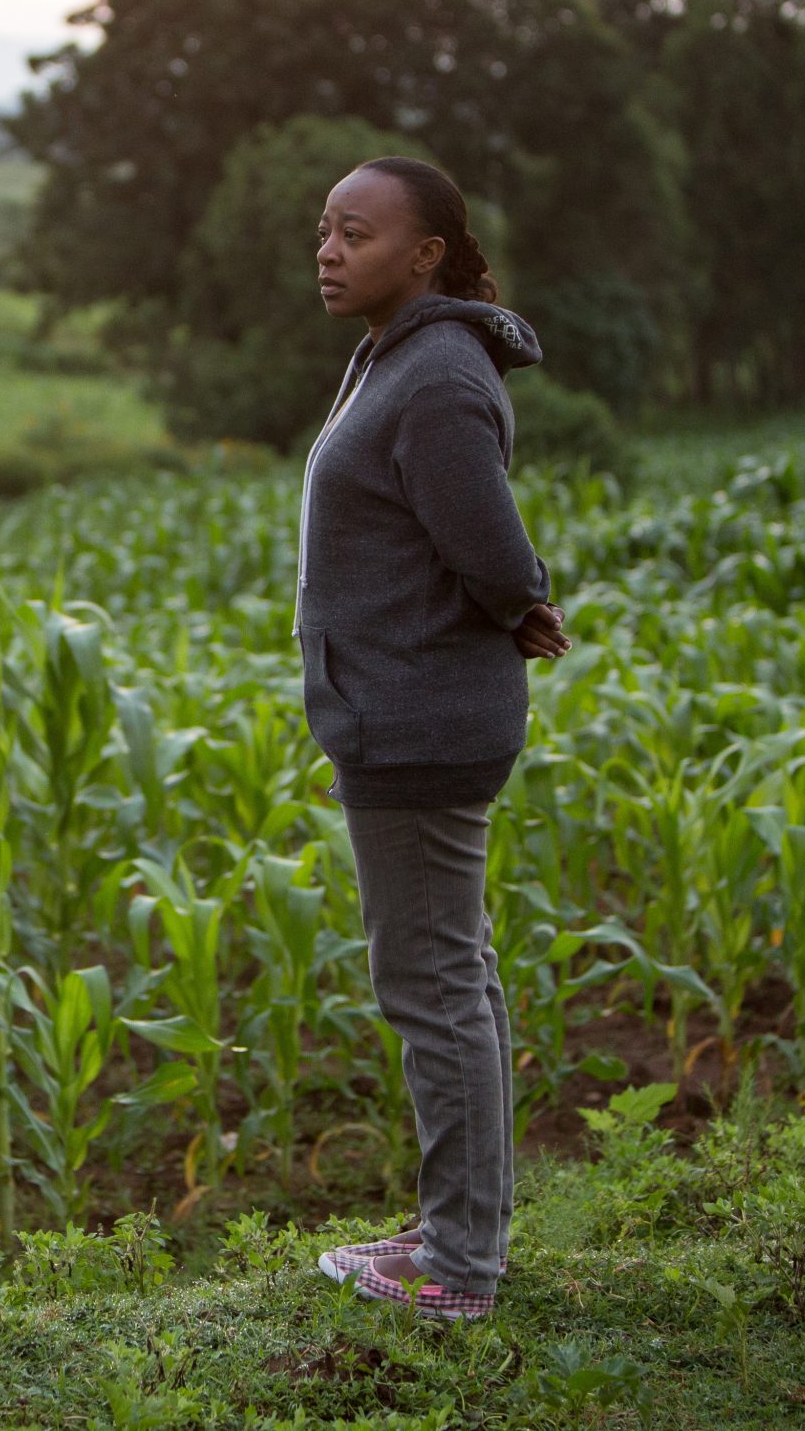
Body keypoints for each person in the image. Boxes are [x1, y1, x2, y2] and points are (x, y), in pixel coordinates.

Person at [290, 155, 570, 1322]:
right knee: (455, 975)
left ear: (427, 255)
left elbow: (491, 544)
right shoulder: (395, 354)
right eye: (323, 229)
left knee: (434, 983)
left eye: (356, 233)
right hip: (399, 709)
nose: (328, 250)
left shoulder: (438, 374)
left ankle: (457, 1266)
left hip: (416, 723)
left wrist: (522, 599)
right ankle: (462, 1225)